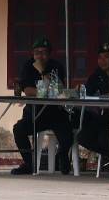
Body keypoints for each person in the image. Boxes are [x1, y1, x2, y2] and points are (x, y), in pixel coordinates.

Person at [10, 38, 70, 176]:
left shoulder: (56, 66)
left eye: (44, 52)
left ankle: (62, 157)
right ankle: (29, 164)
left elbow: (58, 90)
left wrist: (42, 72)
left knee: (67, 132)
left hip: (55, 113)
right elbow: (27, 90)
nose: (40, 56)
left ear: (49, 54)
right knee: (19, 129)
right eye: (37, 53)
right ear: (33, 53)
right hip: (34, 113)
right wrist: (47, 91)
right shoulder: (28, 66)